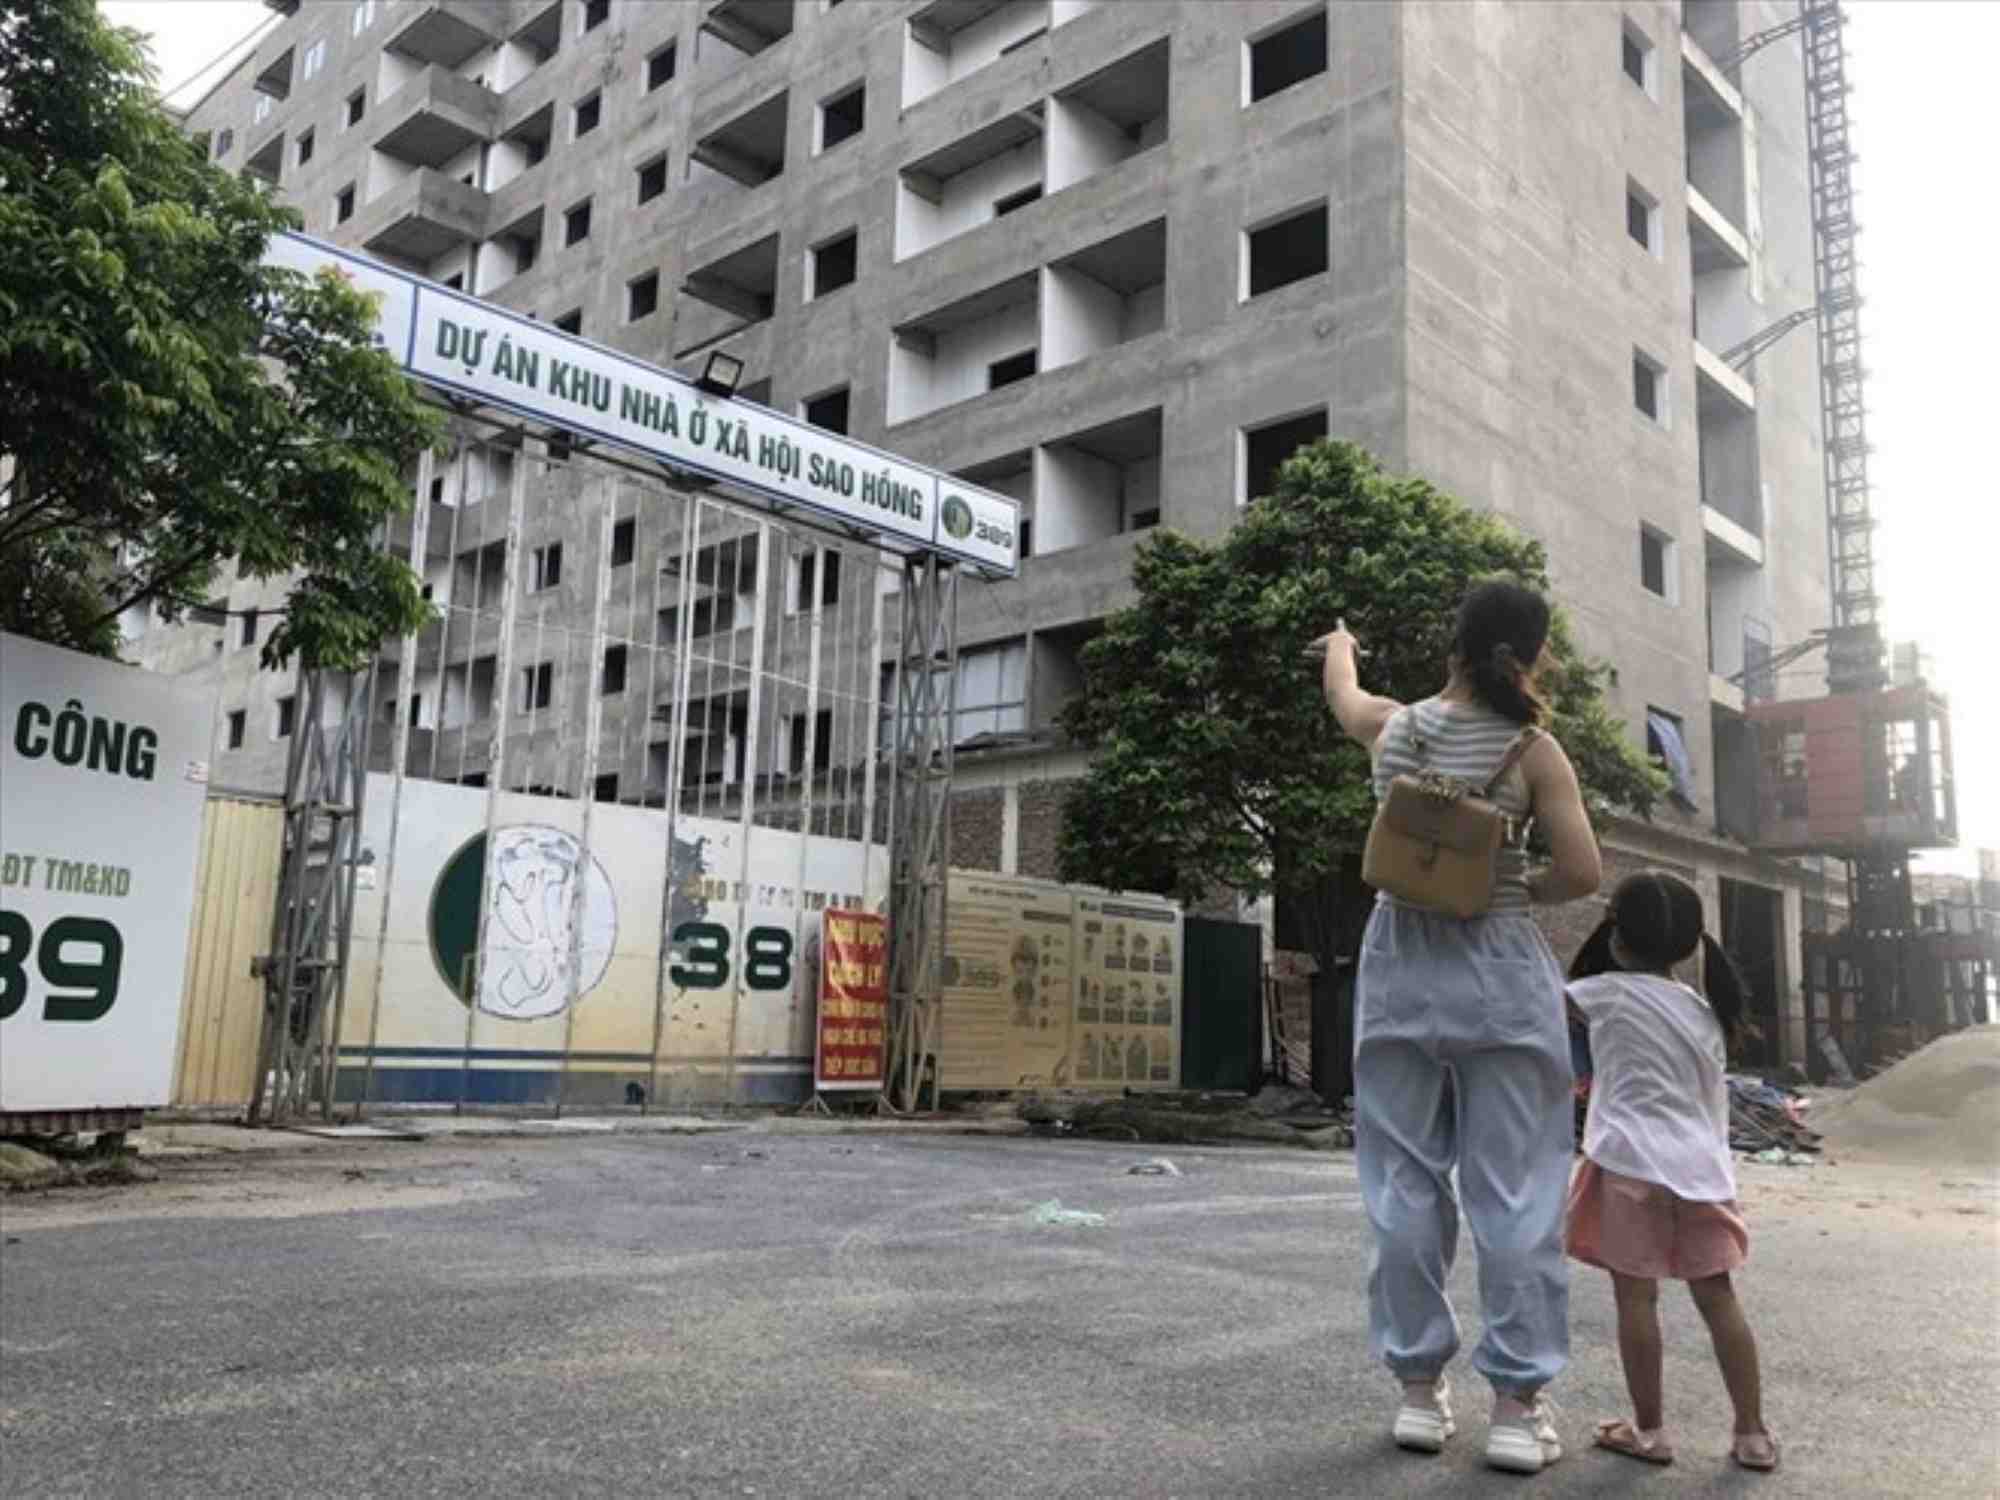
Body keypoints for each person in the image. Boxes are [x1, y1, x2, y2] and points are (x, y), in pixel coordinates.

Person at [1318, 579, 1602, 1475]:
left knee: (1400, 1182)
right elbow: (1582, 871)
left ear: (1454, 645)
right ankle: (1517, 1408)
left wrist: (1341, 642)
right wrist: (1504, 887)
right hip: (1501, 971)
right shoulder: (1533, 749)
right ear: (1532, 655)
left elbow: (1345, 697)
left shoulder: (1398, 731)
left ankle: (1416, 1394)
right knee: (1516, 1188)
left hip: (1401, 963)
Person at [1564, 871, 1780, 1472]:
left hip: (1630, 1164)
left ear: (1616, 935)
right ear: (1690, 946)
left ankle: (1652, 1432)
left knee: (1636, 1299)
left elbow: (1536, 997)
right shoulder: (1705, 1011)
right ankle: (1752, 1434)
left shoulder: (1601, 993)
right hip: (1703, 1173)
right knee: (1718, 1298)